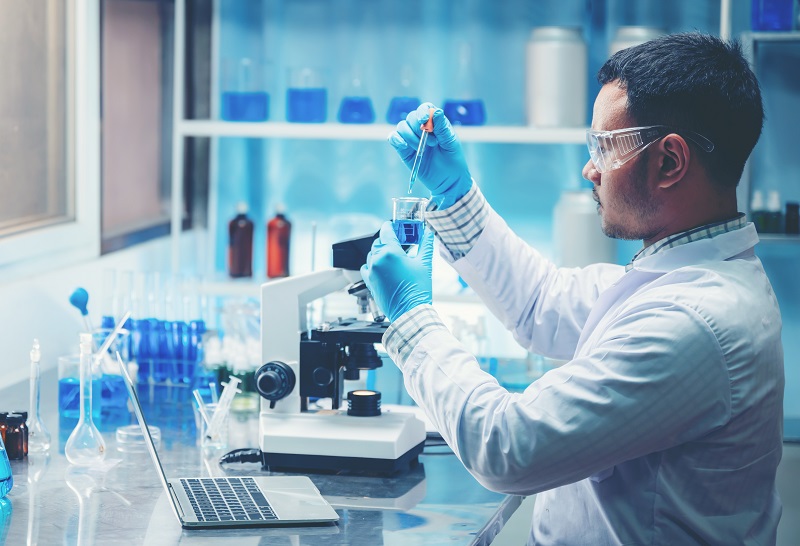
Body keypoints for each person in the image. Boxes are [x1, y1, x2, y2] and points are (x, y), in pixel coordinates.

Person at [361, 32, 784, 545]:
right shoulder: (678, 278)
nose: (590, 169)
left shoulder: (694, 322)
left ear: (670, 162)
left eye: (604, 147)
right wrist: (455, 196)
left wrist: (411, 320)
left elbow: (508, 447)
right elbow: (542, 302)